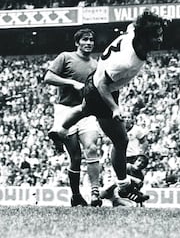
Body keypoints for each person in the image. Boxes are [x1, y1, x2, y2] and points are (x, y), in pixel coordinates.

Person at [48, 10, 168, 204]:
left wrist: (159, 22)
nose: (160, 39)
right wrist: (114, 108)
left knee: (85, 109)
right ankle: (123, 186)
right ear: (145, 37)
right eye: (156, 36)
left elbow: (136, 24)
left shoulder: (132, 33)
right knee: (121, 141)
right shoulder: (126, 62)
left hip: (93, 81)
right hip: (101, 90)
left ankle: (61, 129)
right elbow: (103, 85)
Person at [44, 28, 102, 207]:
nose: (89, 43)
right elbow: (48, 77)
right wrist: (71, 82)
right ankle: (76, 195)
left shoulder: (95, 64)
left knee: (91, 148)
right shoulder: (65, 57)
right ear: (77, 43)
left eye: (91, 40)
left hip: (86, 111)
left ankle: (95, 193)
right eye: (85, 40)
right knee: (75, 157)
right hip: (65, 110)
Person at [100, 114, 150, 207]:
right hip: (119, 157)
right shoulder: (116, 128)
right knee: (120, 180)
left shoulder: (137, 129)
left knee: (131, 182)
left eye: (129, 117)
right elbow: (105, 140)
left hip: (132, 158)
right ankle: (121, 197)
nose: (126, 119)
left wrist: (141, 153)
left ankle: (136, 198)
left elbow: (144, 141)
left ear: (132, 119)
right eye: (125, 117)